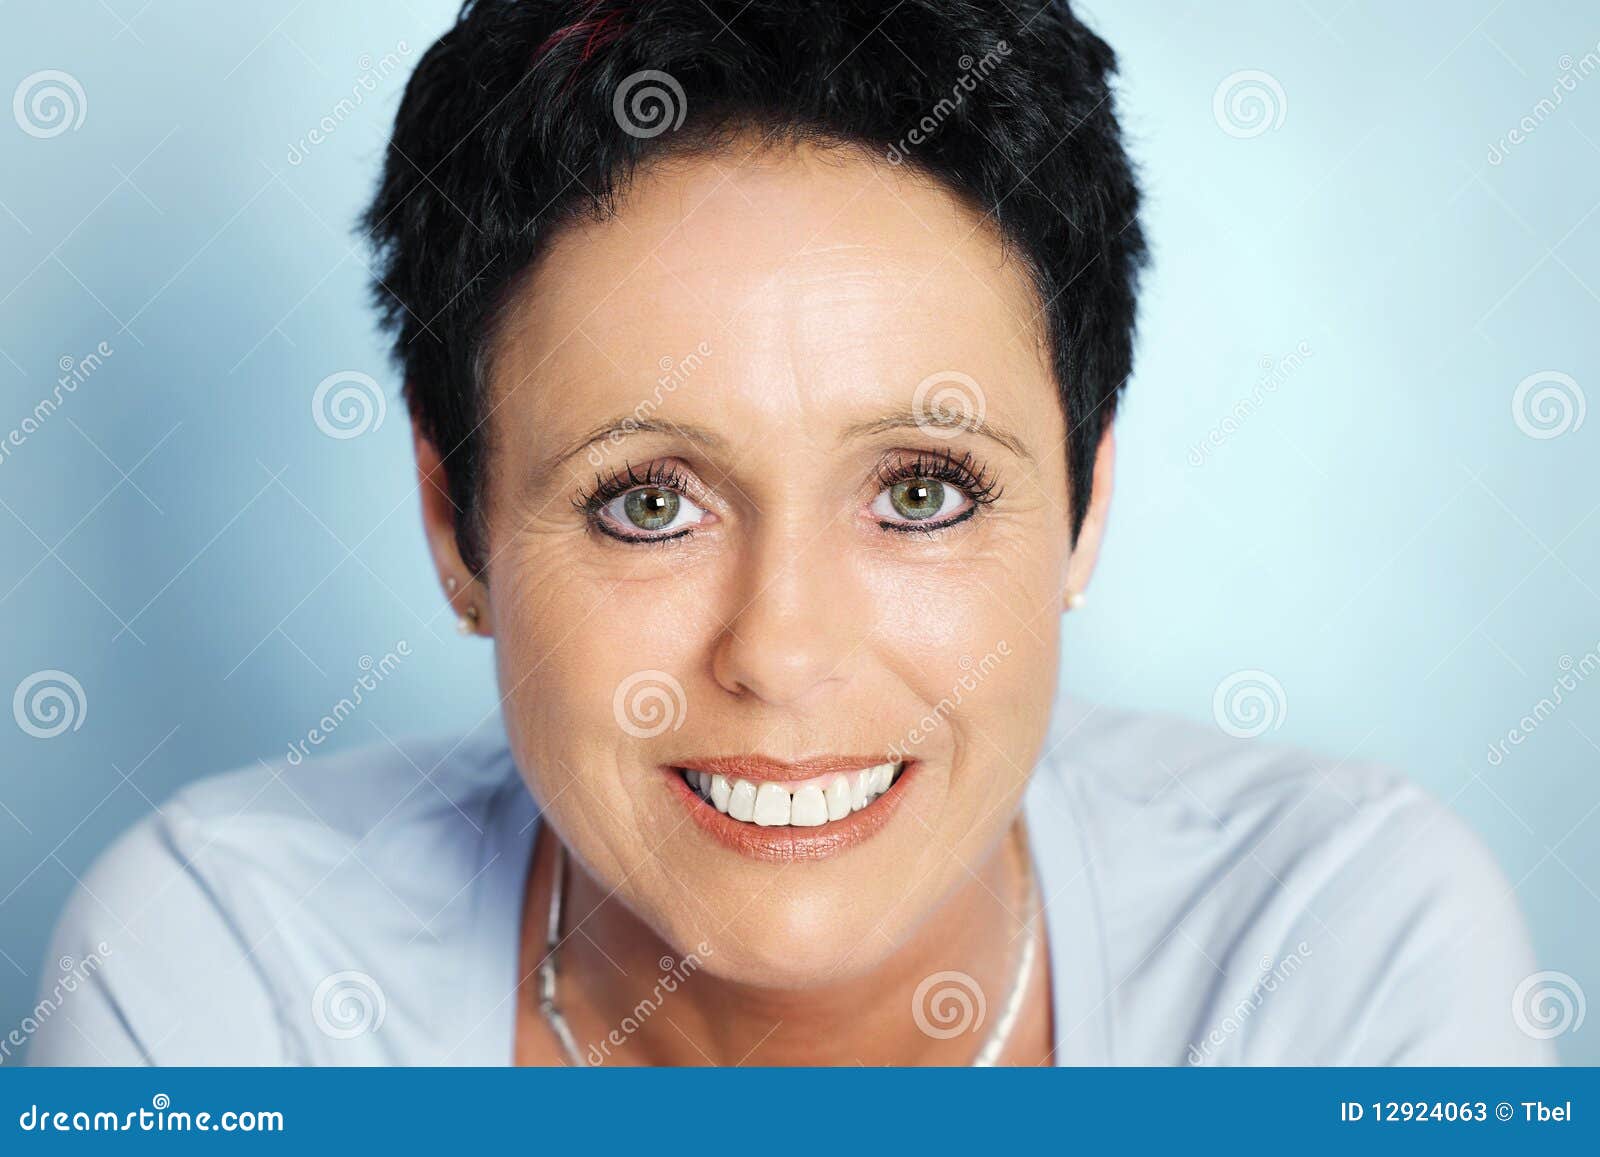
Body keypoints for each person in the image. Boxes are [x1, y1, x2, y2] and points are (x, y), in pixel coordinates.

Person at [30, 0, 1550, 1066]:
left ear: (1085, 501)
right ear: (456, 521)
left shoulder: (1339, 942)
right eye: (648, 502)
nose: (786, 652)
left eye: (921, 490)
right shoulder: (227, 972)